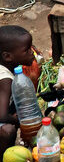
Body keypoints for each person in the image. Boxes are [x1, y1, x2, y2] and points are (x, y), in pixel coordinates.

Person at [0, 24, 35, 152]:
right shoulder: (5, 80)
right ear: (7, 56)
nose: (32, 52)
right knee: (9, 130)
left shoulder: (8, 69)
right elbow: (2, 115)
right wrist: (16, 119)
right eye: (27, 50)